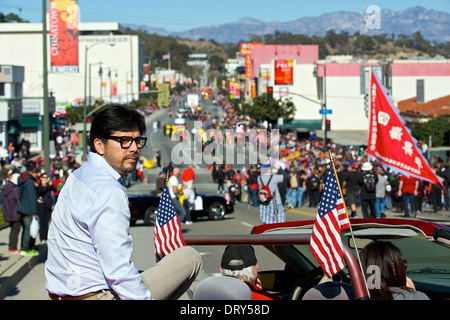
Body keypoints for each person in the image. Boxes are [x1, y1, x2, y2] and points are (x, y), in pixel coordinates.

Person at [45, 105, 202, 300]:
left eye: (137, 140)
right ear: (99, 145)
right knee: (190, 258)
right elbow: (118, 271)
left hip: (61, 292)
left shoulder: (78, 175)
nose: (135, 148)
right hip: (95, 296)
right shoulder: (109, 190)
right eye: (124, 140)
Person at [360, 241, 429, 300]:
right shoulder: (414, 297)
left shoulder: (353, 294)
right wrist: (412, 293)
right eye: (402, 264)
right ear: (393, 268)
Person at [17, 160, 39, 256]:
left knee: (25, 229)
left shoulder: (22, 178)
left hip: (22, 207)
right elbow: (32, 198)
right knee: (28, 230)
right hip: (28, 209)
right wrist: (34, 212)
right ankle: (25, 248)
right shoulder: (29, 182)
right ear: (33, 169)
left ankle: (24, 247)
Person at [1, 172, 21, 254]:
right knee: (15, 231)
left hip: (7, 212)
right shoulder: (15, 190)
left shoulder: (4, 189)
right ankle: (13, 248)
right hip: (15, 213)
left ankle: (11, 247)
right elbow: (19, 200)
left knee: (12, 230)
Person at [37, 172, 54, 243]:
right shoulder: (39, 185)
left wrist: (51, 185)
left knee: (47, 221)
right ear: (41, 178)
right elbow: (39, 192)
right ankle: (42, 237)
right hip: (41, 205)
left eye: (46, 177)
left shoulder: (48, 185)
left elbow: (55, 190)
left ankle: (46, 236)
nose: (45, 179)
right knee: (42, 222)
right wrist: (43, 185)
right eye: (44, 177)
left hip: (48, 205)